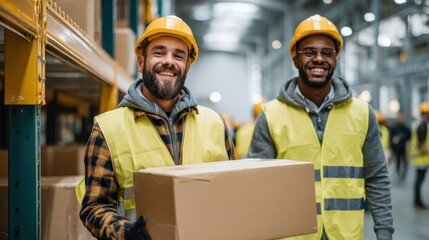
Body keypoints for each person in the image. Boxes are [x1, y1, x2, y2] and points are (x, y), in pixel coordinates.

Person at [76, 15, 236, 239]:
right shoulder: (108, 129)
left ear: (187, 67)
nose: (169, 61)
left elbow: (232, 195)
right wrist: (125, 233)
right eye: (159, 52)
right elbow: (94, 206)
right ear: (141, 63)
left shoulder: (215, 124)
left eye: (178, 55)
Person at [248, 15, 393, 239]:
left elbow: (376, 178)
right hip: (293, 235)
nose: (318, 59)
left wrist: (384, 233)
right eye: (309, 52)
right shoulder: (272, 115)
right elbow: (258, 187)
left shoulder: (363, 113)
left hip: (347, 235)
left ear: (336, 59)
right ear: (295, 59)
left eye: (327, 53)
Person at [410, 102, 429, 209]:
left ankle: (417, 201)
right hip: (421, 159)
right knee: (419, 181)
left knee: (418, 181)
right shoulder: (422, 126)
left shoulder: (418, 123)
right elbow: (421, 145)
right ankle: (418, 202)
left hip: (419, 158)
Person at [389, 112, 411, 180]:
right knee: (397, 160)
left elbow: (409, 135)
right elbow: (391, 136)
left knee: (405, 161)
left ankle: (404, 173)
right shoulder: (394, 127)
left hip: (404, 147)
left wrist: (400, 137)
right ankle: (398, 172)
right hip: (397, 148)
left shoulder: (405, 127)